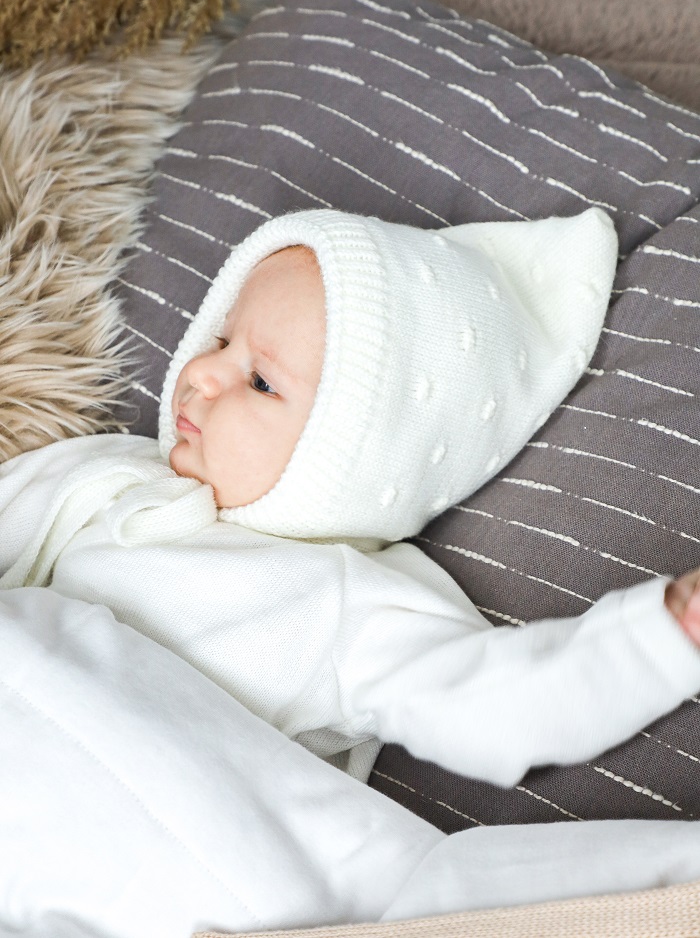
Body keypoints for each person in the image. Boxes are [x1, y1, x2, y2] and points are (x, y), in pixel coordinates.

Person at [1, 206, 700, 786]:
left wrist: (661, 636)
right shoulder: (110, 473)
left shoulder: (348, 603)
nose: (203, 372)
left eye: (261, 381)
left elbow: (500, 704)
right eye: (220, 338)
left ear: (350, 460)